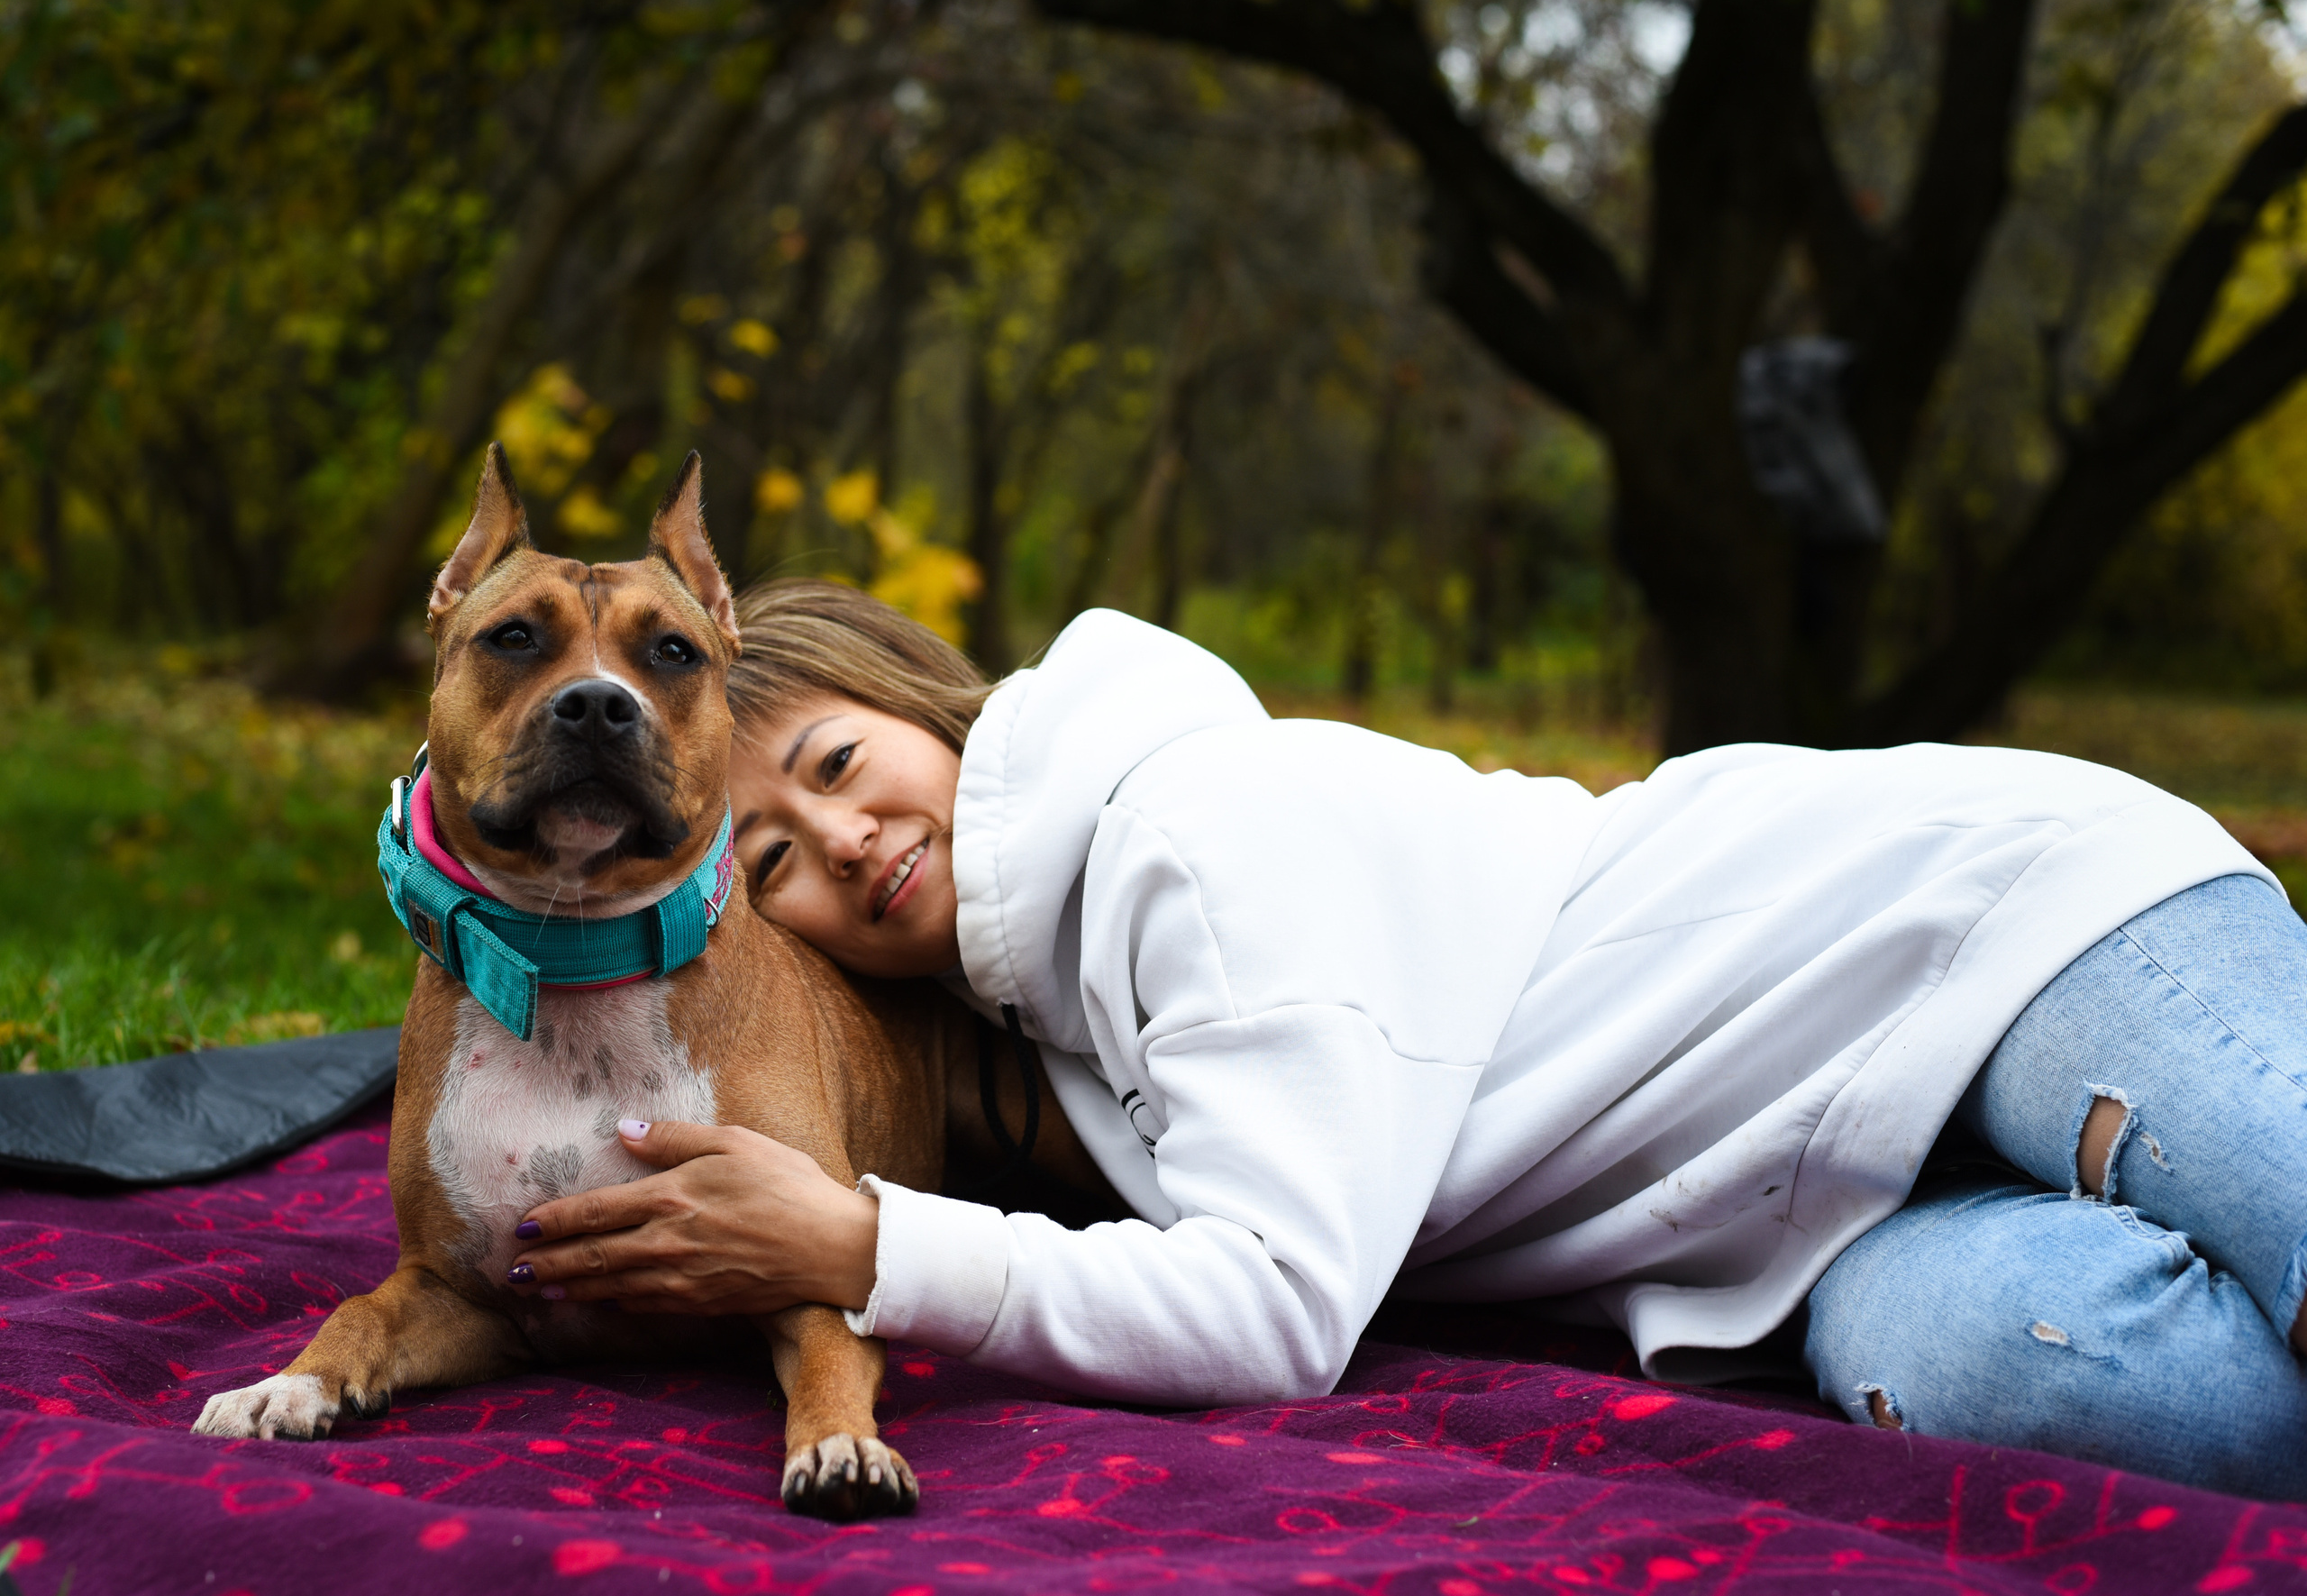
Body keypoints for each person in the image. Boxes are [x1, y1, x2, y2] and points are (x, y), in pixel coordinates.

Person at [508, 579, 2307, 1500]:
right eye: (771, 859)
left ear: (920, 706)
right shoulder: (1049, 1029)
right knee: (2092, 1391)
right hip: (1825, 1223)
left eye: (834, 763)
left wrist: (860, 1247)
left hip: (1990, 921)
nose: (839, 840)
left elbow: (1278, 1304)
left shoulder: (1187, 835)